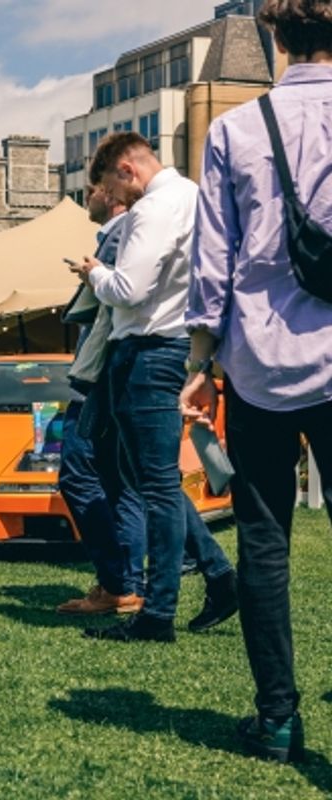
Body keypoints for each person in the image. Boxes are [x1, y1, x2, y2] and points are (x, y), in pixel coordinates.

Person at [181, 0, 332, 763]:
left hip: (258, 364)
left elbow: (213, 263)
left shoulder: (234, 131)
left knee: (265, 546)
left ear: (274, 36)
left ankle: (277, 718)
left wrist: (201, 364)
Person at [71, 131, 235, 643]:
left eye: (112, 189)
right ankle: (217, 576)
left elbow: (129, 289)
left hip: (147, 350)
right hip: (177, 346)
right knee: (152, 479)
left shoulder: (153, 209)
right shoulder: (196, 196)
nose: (118, 202)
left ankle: (159, 611)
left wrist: (96, 273)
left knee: (156, 485)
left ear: (127, 169)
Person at [56, 183, 143, 615]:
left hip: (102, 378)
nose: (84, 195)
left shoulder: (118, 232)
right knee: (125, 482)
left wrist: (93, 274)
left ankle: (118, 582)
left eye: (91, 187)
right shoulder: (125, 232)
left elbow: (120, 299)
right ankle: (128, 584)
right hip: (116, 375)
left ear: (111, 190)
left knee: (77, 473)